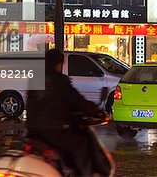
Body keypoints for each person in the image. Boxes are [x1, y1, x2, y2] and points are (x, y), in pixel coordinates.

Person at [26, 49, 105, 177]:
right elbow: (76, 99)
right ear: (59, 64)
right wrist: (95, 111)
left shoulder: (35, 79)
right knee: (81, 146)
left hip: (33, 130)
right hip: (51, 130)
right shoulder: (59, 80)